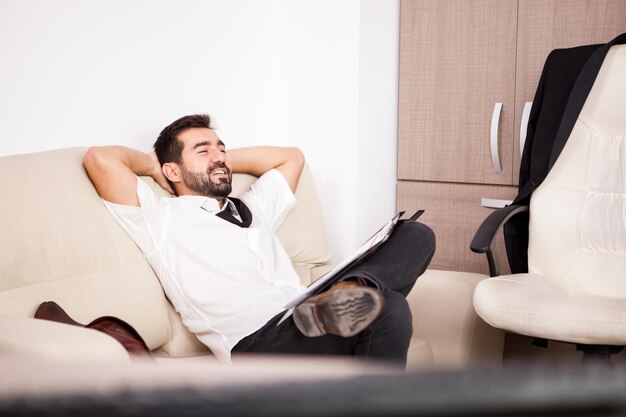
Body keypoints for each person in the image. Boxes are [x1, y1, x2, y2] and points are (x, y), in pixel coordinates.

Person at [83, 114, 435, 367]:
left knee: (415, 234)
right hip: (257, 343)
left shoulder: (254, 208)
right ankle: (359, 298)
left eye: (222, 149)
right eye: (203, 150)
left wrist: (218, 161)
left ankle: (359, 288)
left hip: (306, 311)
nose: (219, 156)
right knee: (389, 308)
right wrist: (152, 162)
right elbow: (99, 159)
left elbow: (291, 157)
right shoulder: (161, 219)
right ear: (172, 171)